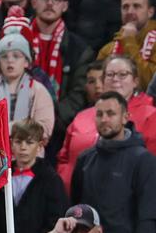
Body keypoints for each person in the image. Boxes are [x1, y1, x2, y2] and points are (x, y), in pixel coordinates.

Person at [71, 91, 156, 233]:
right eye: (99, 114)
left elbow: (148, 215)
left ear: (125, 117)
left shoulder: (144, 160)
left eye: (111, 114)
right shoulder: (85, 159)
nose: (104, 119)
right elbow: (76, 209)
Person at [57, 55, 156, 192]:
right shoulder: (82, 116)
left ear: (135, 81)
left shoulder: (150, 115)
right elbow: (64, 158)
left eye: (122, 74)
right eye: (110, 74)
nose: (115, 79)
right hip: (78, 198)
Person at [0, 119, 68, 233]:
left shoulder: (51, 180)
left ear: (40, 146)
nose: (23, 147)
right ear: (11, 143)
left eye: (29, 142)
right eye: (18, 142)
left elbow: (55, 219)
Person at [29, 0, 94, 126]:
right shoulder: (17, 39)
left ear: (65, 6)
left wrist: (50, 120)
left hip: (58, 128)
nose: (50, 3)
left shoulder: (80, 49)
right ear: (33, 2)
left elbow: (79, 94)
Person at [0, 27, 55, 145]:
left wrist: (11, 129)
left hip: (30, 157)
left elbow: (44, 128)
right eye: (4, 56)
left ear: (26, 62)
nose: (10, 61)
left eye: (16, 56)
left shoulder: (38, 90)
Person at [97, 0, 156, 91]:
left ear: (150, 12)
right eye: (125, 7)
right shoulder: (107, 50)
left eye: (137, 6)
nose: (130, 11)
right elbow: (98, 88)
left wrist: (129, 41)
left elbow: (149, 85)